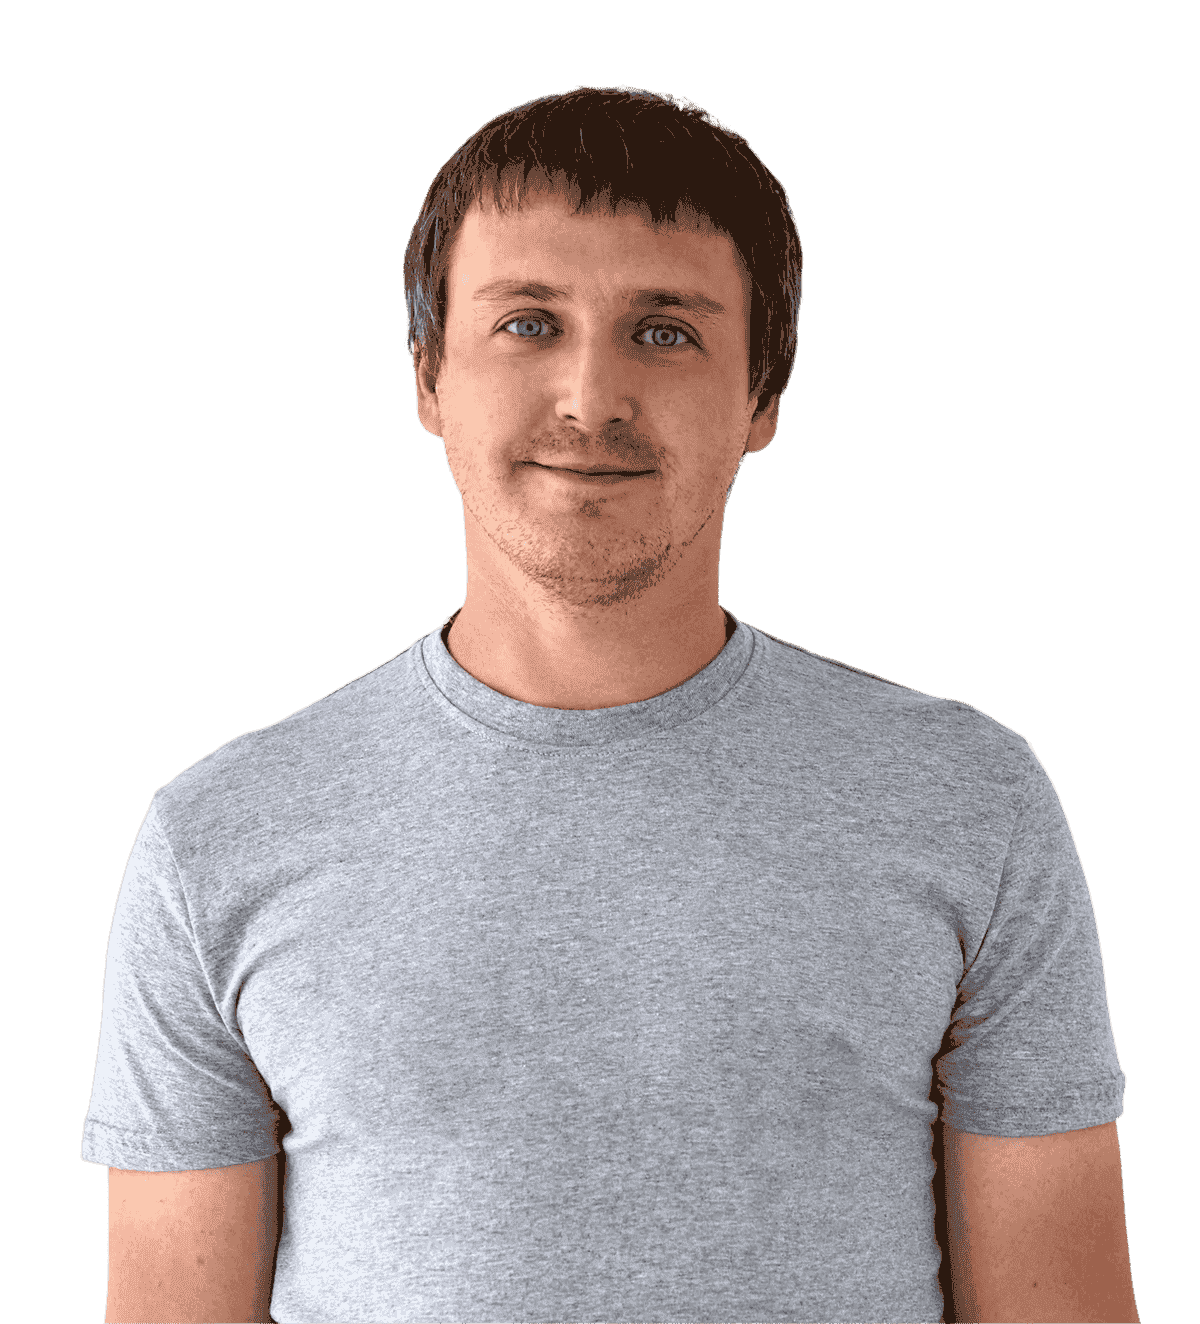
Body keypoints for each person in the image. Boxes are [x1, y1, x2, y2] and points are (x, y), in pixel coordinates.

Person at [83, 86, 1139, 1324]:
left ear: (763, 397)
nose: (590, 397)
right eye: (528, 323)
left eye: (665, 331)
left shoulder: (970, 802)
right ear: (429, 378)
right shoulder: (219, 837)